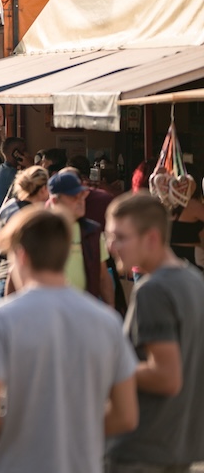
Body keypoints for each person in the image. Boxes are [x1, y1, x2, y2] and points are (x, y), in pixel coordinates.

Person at [0, 208, 138, 473]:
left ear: (22, 256)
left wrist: (19, 436)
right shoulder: (107, 322)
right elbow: (126, 415)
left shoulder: (2, 318)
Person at [105, 193, 204, 473]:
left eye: (120, 237)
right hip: (177, 445)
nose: (112, 246)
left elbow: (166, 377)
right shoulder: (194, 280)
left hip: (141, 446)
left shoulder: (153, 290)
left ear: (150, 238)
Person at [46, 169, 113, 307]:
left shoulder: (92, 231)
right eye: (73, 197)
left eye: (82, 195)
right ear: (54, 200)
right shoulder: (39, 231)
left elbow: (103, 277)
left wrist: (110, 312)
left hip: (84, 312)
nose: (81, 201)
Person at [0, 166, 50, 301]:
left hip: (2, 275)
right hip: (18, 280)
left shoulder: (8, 208)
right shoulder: (34, 214)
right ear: (44, 189)